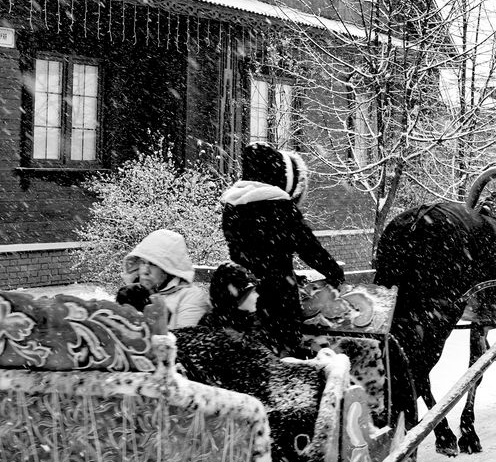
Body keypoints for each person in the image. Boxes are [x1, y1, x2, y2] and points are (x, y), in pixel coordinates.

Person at [220, 143, 345, 357]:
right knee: (283, 354)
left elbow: (247, 251)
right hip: (277, 298)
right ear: (277, 174)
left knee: (248, 352)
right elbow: (308, 247)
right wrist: (334, 272)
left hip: (242, 292)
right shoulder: (279, 208)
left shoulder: (233, 205)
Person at [116, 229, 210, 329]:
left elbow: (187, 339)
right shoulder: (134, 294)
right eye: (143, 262)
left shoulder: (191, 297)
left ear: (168, 270)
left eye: (153, 264)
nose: (145, 271)